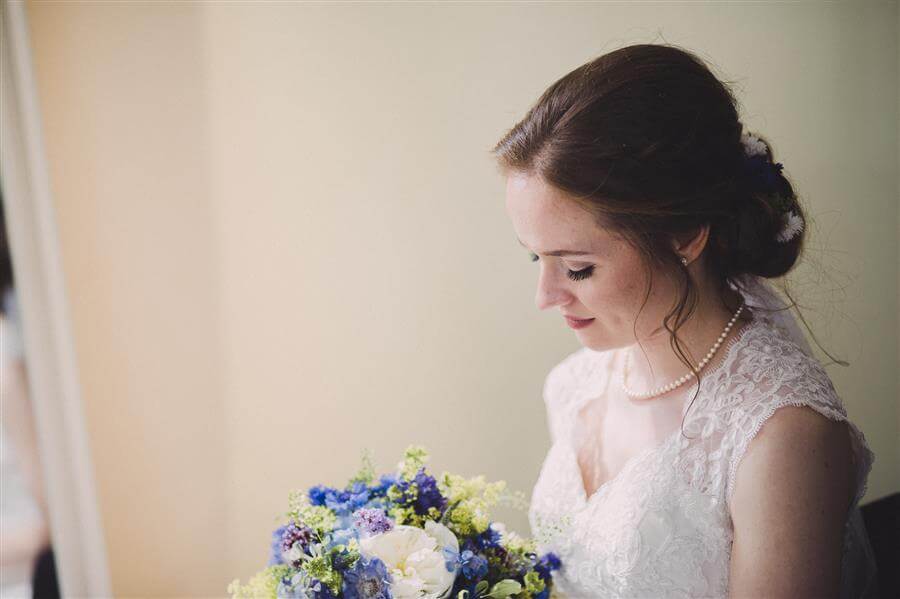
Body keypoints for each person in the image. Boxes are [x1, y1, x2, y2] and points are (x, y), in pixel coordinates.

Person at [494, 43, 879, 598]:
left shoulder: (779, 435)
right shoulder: (574, 386)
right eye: (537, 257)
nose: (545, 296)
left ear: (684, 236)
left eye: (577, 268)